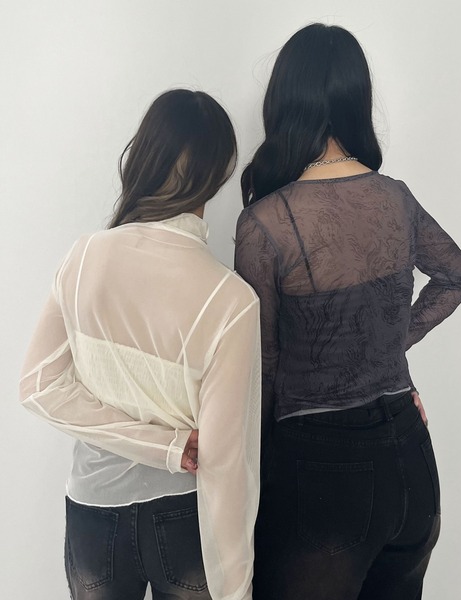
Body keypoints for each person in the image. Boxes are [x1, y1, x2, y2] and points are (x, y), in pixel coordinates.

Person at [235, 24, 461, 600]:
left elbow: (262, 367)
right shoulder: (396, 196)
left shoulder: (265, 223)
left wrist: (240, 476)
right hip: (412, 464)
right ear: (356, 99)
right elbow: (457, 276)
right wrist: (387, 347)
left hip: (320, 476)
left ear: (284, 101)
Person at [19, 89, 261, 600]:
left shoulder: (84, 257)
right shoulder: (231, 300)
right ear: (219, 174)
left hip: (93, 511)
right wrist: (236, 588)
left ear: (144, 154)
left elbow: (40, 386)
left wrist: (160, 446)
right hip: (185, 518)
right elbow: (225, 463)